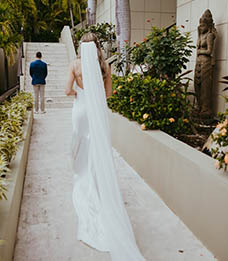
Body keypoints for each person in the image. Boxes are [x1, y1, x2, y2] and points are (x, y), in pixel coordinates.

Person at [65, 33, 145, 261]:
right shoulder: (104, 67)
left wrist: (80, 92)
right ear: (98, 47)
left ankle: (82, 176)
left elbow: (66, 90)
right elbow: (108, 94)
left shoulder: (74, 65)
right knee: (97, 145)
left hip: (80, 111)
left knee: (80, 144)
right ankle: (97, 181)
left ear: (81, 47)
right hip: (97, 113)